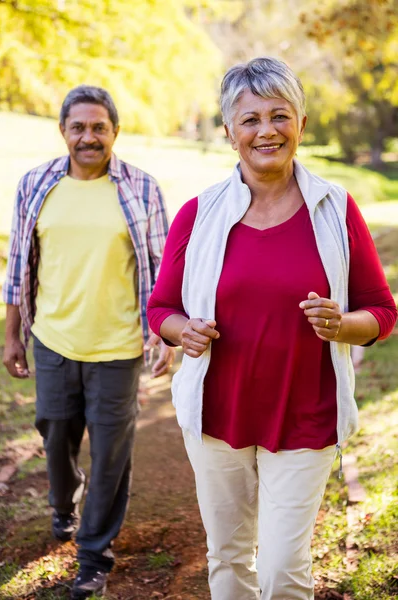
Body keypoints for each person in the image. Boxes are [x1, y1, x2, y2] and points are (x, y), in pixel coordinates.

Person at [147, 57, 397, 600]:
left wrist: (342, 323)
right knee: (229, 560)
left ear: (301, 125)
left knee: (284, 568)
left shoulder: (335, 208)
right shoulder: (199, 213)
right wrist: (181, 330)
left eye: (280, 115)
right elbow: (161, 308)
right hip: (218, 413)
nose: (267, 130)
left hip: (304, 413)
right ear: (230, 132)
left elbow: (381, 311)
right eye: (251, 119)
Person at [3, 85, 174, 599]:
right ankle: (63, 503)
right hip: (53, 340)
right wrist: (12, 334)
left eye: (99, 127)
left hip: (118, 349)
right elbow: (18, 266)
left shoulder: (142, 189)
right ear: (63, 132)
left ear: (114, 132)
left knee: (112, 452)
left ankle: (94, 554)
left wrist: (162, 333)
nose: (89, 137)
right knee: (55, 434)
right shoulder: (36, 184)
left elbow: (164, 270)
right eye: (78, 127)